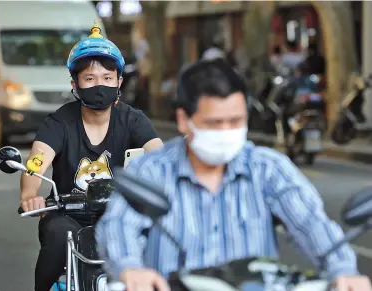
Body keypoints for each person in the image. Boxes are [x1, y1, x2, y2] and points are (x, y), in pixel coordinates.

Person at [95, 59, 371, 291]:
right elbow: (120, 226)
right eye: (215, 123)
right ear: (183, 120)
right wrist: (130, 268)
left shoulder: (268, 168)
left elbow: (311, 223)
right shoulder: (152, 170)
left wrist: (343, 270)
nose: (227, 131)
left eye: (236, 121)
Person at [19, 21, 163, 291]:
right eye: (89, 78)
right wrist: (30, 194)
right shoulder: (59, 122)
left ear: (119, 81)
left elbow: (160, 156)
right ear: (75, 83)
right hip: (69, 214)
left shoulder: (133, 120)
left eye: (107, 78)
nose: (99, 85)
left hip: (124, 213)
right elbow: (36, 161)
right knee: (58, 236)